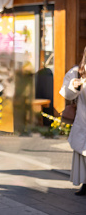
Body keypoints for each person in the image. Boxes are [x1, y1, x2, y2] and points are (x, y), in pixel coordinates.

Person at [60, 46, 86, 196]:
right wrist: (74, 86)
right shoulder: (77, 71)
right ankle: (85, 183)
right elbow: (66, 93)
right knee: (82, 153)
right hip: (83, 120)